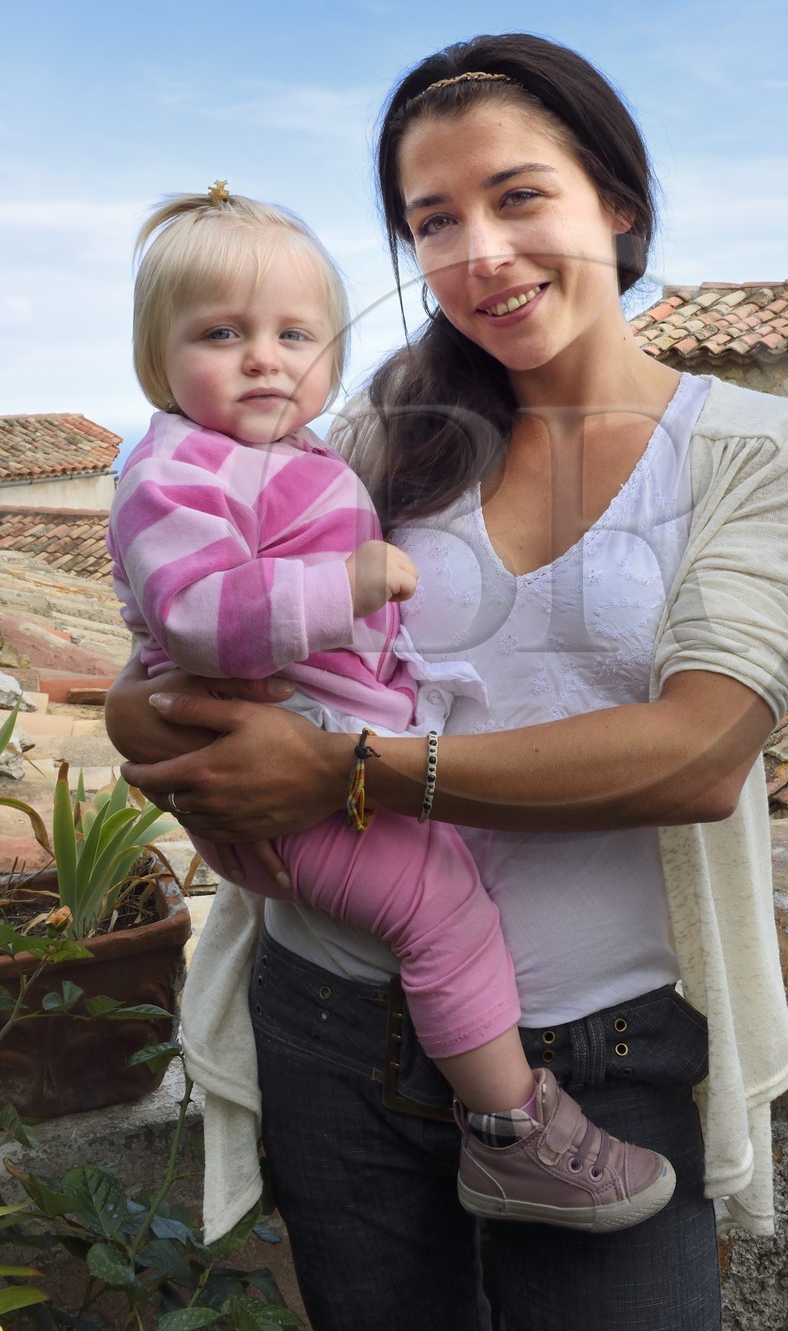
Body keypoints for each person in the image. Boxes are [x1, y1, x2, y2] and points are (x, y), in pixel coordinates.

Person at [106, 34, 788, 1331]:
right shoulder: (380, 436)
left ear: (614, 197)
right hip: (332, 1022)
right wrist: (138, 719)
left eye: (517, 196)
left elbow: (700, 753)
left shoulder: (747, 445)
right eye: (430, 220)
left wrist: (343, 770)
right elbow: (180, 635)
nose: (476, 250)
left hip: (600, 1057)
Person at [106, 185, 676, 1235]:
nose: (265, 359)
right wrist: (349, 586)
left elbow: (699, 755)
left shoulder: (300, 449)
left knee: (445, 892)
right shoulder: (179, 472)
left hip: (332, 758)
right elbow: (192, 618)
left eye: (294, 334)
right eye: (221, 335)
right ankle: (511, 1131)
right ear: (160, 356)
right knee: (440, 914)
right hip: (297, 779)